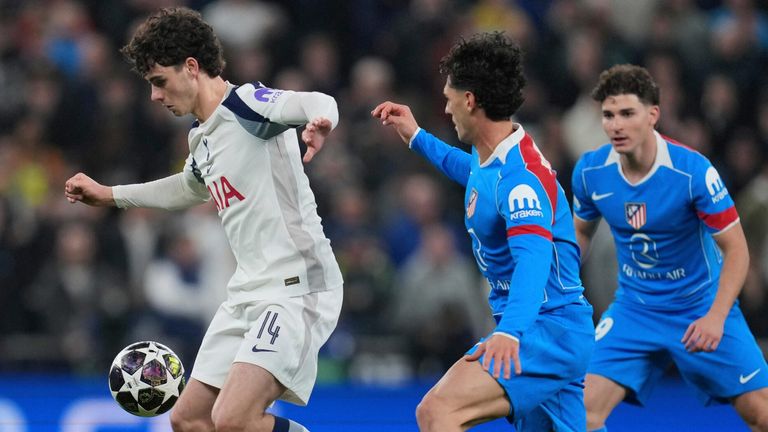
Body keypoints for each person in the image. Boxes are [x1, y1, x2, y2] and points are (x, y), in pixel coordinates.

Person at [64, 7, 343, 432]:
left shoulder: (248, 105)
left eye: (159, 81)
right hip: (247, 293)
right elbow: (187, 188)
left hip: (296, 289)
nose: (155, 96)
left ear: (191, 67)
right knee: (189, 418)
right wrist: (110, 196)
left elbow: (312, 101)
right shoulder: (202, 137)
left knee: (232, 420)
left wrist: (322, 120)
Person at [372, 32, 594, 432]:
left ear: (470, 100)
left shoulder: (520, 179)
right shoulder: (492, 156)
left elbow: (534, 257)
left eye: (449, 97)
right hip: (549, 329)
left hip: (545, 330)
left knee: (437, 411)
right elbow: (474, 177)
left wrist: (510, 331)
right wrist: (418, 137)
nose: (445, 106)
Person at [572, 64, 768, 432]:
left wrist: (716, 316)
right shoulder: (590, 172)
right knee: (577, 415)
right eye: (608, 115)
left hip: (699, 307)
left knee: (763, 415)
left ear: (652, 115)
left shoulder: (692, 172)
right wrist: (555, 289)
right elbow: (578, 235)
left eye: (627, 114)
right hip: (634, 309)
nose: (616, 125)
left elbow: (738, 250)